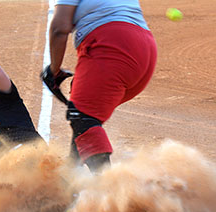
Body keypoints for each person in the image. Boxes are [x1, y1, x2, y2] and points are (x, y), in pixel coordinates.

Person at [41, 1, 157, 173]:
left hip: (113, 45)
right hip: (144, 49)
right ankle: (71, 175)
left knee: (82, 118)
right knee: (83, 112)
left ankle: (106, 188)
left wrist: (54, 70)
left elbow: (59, 29)